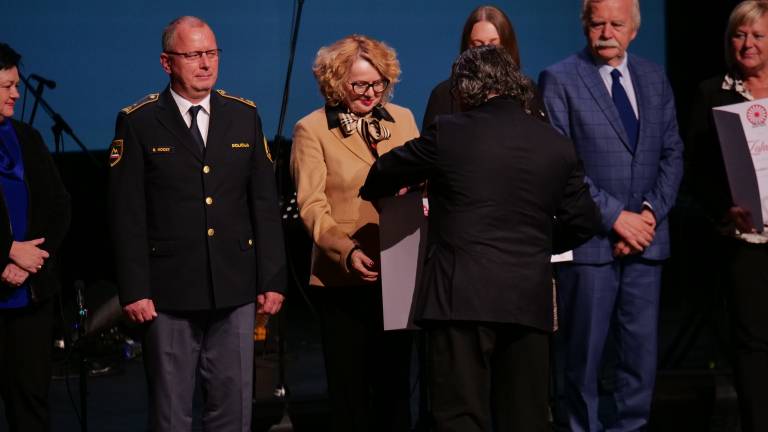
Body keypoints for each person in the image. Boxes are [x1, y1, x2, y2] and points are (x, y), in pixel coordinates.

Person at [361, 45, 601, 432]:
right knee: (524, 420)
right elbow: (585, 220)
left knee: (459, 419)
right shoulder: (555, 143)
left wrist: (405, 188)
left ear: (465, 89)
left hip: (459, 300)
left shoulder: (450, 132)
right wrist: (540, 245)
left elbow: (381, 174)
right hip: (527, 299)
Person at [108, 16, 286, 431]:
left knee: (234, 409)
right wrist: (135, 289)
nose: (206, 63)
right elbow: (126, 214)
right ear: (166, 62)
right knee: (171, 412)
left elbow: (263, 205)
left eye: (211, 53)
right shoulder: (139, 121)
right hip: (168, 293)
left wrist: (272, 278)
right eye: (193, 55)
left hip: (235, 287)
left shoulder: (243, 115)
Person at [538, 0, 684, 430]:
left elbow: (672, 153)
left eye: (616, 24)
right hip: (590, 244)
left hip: (646, 242)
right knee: (583, 358)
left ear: (634, 29)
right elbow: (562, 167)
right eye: (597, 23)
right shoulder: (559, 79)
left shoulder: (654, 77)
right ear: (585, 25)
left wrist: (649, 214)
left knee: (639, 358)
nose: (606, 33)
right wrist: (617, 218)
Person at [290, 35, 419, 432]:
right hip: (344, 277)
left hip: (399, 269)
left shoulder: (403, 119)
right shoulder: (311, 129)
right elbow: (312, 206)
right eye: (360, 84)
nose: (370, 92)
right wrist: (345, 251)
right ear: (336, 82)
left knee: (395, 389)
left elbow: (423, 181)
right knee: (350, 393)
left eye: (378, 83)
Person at [688, 2, 768, 430]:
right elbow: (697, 170)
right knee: (751, 345)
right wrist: (724, 207)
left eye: (758, 35)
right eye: (740, 34)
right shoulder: (711, 93)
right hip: (745, 242)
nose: (748, 43)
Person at [0, 42, 71, 432]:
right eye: (7, 86)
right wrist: (7, 254)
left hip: (31, 292)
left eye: (16, 84)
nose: (16, 93)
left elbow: (58, 205)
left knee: (30, 402)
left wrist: (30, 260)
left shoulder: (27, 137)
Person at [422, 5, 547, 130]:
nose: (486, 53)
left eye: (493, 45)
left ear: (507, 46)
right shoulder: (444, 95)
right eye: (478, 45)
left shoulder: (528, 91)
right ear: (467, 48)